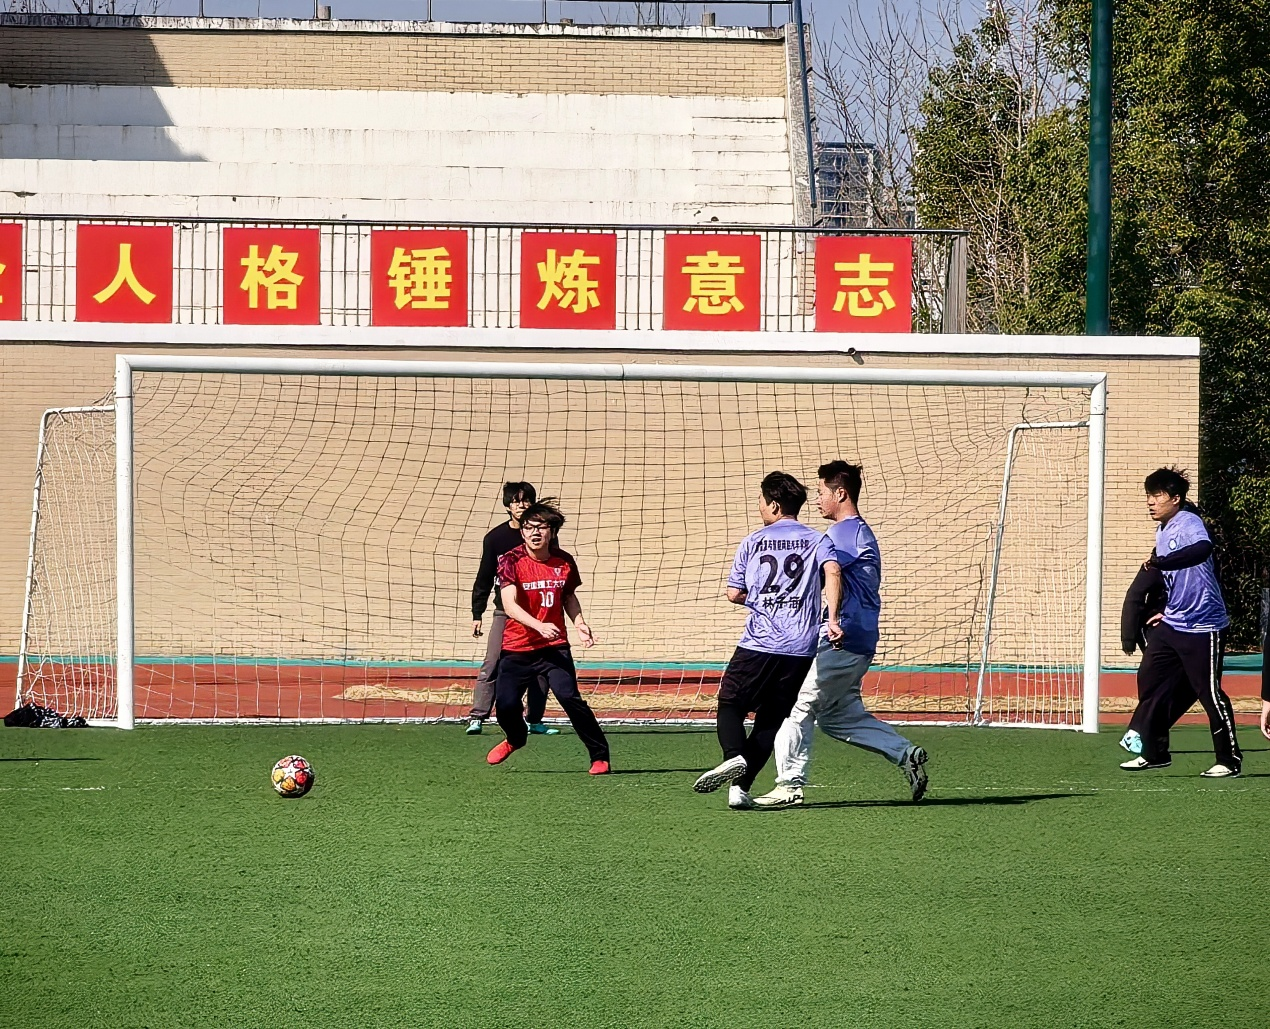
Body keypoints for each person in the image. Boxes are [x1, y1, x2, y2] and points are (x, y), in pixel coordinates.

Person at [753, 460, 928, 809]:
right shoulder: (858, 532)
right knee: (837, 716)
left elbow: (819, 575)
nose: (817, 499)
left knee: (795, 704)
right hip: (860, 639)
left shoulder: (841, 536)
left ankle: (789, 785)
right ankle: (904, 753)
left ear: (841, 494)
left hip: (841, 638)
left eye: (821, 492)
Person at [692, 472, 832, 809]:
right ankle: (739, 791)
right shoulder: (819, 541)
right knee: (770, 719)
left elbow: (734, 593)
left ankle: (732, 756)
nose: (759, 506)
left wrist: (763, 600)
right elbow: (832, 577)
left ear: (773, 504)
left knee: (730, 703)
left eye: (760, 501)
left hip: (760, 641)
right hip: (801, 646)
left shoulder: (753, 541)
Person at [1120, 467, 1242, 777]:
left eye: (1157, 496)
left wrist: (1163, 561)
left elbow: (1202, 550)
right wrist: (1161, 608)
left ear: (1175, 499)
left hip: (1204, 625)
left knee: (1209, 693)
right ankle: (1155, 753)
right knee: (1150, 679)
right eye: (1148, 496)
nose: (1150, 502)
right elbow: (1169, 579)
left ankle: (1229, 760)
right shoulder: (1161, 531)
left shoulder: (1189, 522)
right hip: (1174, 622)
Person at [485, 501, 611, 774]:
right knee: (506, 705)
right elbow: (509, 605)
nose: (535, 532)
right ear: (522, 532)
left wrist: (580, 624)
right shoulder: (511, 561)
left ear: (552, 532)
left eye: (541, 527)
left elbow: (568, 597)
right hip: (517, 649)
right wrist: (538, 625)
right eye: (529, 527)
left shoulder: (563, 561)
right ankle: (515, 739)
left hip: (554, 648)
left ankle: (599, 756)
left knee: (570, 699)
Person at [466, 481, 556, 737]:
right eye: (516, 501)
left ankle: (534, 719)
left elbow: (554, 569)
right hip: (505, 612)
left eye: (526, 500)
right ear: (508, 506)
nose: (521, 505)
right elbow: (484, 577)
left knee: (541, 667)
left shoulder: (544, 534)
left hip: (538, 614)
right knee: (492, 662)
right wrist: (477, 613)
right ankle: (477, 717)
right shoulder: (495, 539)